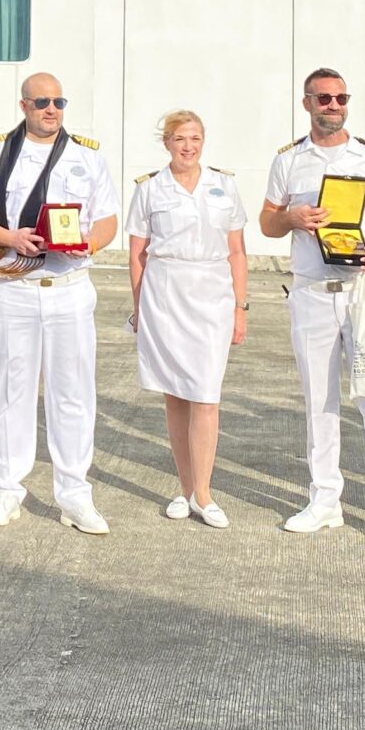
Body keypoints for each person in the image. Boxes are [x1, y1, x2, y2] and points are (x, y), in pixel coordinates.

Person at [0, 73, 120, 534]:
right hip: (14, 288)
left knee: (72, 395)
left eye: (59, 101)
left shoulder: (86, 156)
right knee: (11, 392)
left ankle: (75, 495)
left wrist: (89, 244)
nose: (52, 109)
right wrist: (10, 237)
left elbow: (106, 218)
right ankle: (6, 489)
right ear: (25, 105)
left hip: (68, 288)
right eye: (42, 102)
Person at [258, 68, 365, 546]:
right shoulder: (289, 161)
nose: (334, 105)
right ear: (307, 103)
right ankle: (325, 500)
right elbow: (266, 223)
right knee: (319, 401)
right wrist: (291, 217)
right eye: (324, 97)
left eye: (341, 97)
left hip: (363, 292)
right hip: (312, 293)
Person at [126, 111, 249, 526]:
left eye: (195, 138)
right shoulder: (149, 189)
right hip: (165, 294)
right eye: (180, 138)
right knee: (175, 395)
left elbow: (237, 252)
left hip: (212, 295)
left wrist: (240, 307)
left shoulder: (224, 185)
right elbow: (137, 254)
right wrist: (140, 307)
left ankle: (205, 493)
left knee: (206, 394)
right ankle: (184, 489)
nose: (188, 146)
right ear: (167, 143)